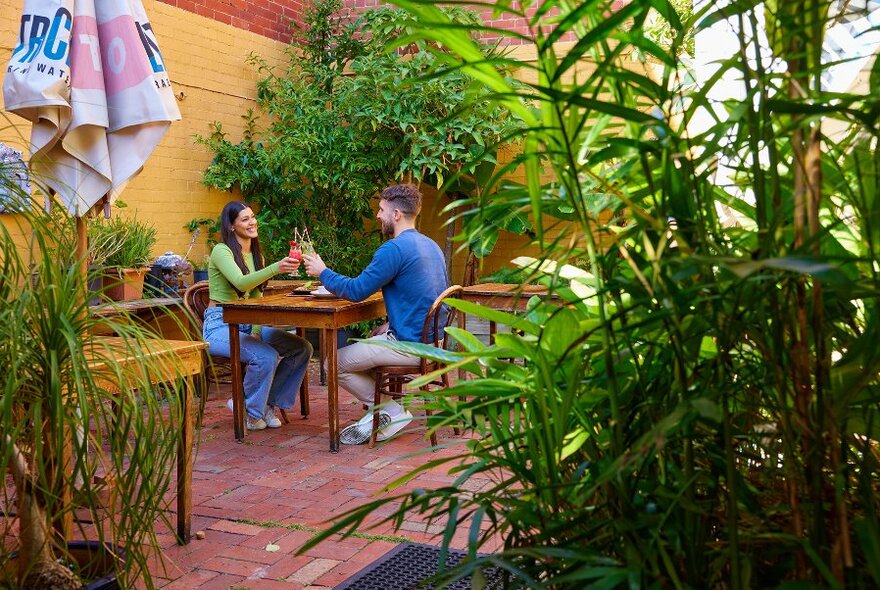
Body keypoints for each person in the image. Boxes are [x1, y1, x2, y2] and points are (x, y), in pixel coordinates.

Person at [303, 184, 450, 444]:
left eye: (381, 210)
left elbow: (357, 290)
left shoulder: (394, 249)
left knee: (332, 364)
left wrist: (322, 271)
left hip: (410, 345)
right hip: (434, 342)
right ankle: (388, 409)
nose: (378, 216)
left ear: (396, 215)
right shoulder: (431, 245)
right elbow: (422, 294)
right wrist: (389, 321)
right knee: (364, 350)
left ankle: (390, 410)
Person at [203, 201, 313, 431]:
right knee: (265, 356)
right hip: (220, 325)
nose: (252, 222)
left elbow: (255, 298)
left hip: (246, 322)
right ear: (231, 226)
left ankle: (267, 405)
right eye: (244, 219)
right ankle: (250, 412)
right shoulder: (221, 250)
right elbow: (241, 282)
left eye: (252, 217)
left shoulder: (256, 255)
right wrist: (275, 268)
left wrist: (254, 331)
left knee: (302, 348)